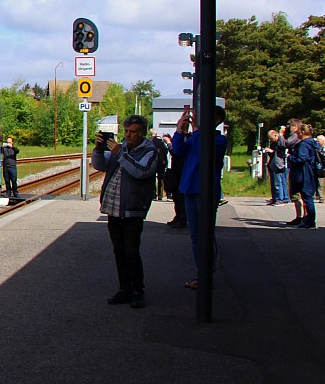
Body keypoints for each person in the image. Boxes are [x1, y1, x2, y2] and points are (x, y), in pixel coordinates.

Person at [93, 115, 157, 309]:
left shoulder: (150, 152)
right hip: (114, 209)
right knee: (119, 251)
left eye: (133, 132)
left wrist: (120, 153)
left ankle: (137, 291)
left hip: (133, 209)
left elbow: (141, 171)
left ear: (142, 133)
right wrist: (98, 150)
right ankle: (124, 288)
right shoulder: (119, 148)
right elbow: (100, 165)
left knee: (131, 251)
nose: (128, 135)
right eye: (126, 132)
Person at [171, 104, 229, 290]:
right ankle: (201, 272)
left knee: (206, 235)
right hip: (190, 190)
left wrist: (196, 131)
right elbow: (179, 151)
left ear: (217, 121)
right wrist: (180, 131)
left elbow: (203, 149)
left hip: (206, 192)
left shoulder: (219, 141)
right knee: (196, 235)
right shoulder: (197, 138)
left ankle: (206, 273)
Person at [289, 124, 319, 228]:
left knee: (307, 197)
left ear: (302, 133)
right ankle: (309, 219)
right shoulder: (314, 143)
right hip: (312, 172)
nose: (296, 134)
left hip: (304, 173)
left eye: (298, 132)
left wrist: (290, 157)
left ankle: (310, 221)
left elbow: (301, 158)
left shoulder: (304, 144)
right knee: (308, 197)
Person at [282, 118, 306, 225]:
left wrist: (281, 134)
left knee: (297, 194)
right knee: (300, 195)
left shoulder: (296, 137)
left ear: (295, 127)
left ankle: (301, 216)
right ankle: (301, 216)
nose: (288, 128)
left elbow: (285, 144)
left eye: (290, 126)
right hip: (299, 170)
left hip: (297, 170)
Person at [262, 129, 289, 205]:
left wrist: (272, 151)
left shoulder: (280, 142)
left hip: (279, 164)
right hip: (273, 163)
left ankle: (280, 198)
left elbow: (281, 153)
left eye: (272, 138)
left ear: (276, 135)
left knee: (279, 182)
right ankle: (275, 198)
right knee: (274, 183)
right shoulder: (273, 143)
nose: (271, 140)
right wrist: (269, 152)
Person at [150, 129, 168, 201]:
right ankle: (160, 195)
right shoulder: (160, 141)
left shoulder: (149, 141)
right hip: (160, 162)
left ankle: (153, 194)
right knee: (161, 178)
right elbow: (165, 151)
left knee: (152, 178)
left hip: (151, 162)